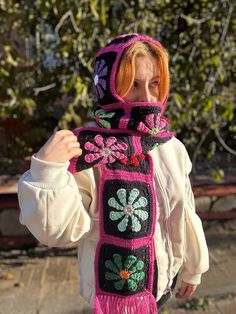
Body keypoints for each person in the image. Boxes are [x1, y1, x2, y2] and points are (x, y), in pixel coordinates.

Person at [18, 33, 209, 314]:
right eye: (133, 85)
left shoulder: (170, 147)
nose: (147, 97)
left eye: (155, 84)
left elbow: (185, 211)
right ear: (109, 88)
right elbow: (61, 232)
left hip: (163, 285)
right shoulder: (88, 153)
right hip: (113, 301)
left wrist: (194, 267)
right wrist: (48, 173)